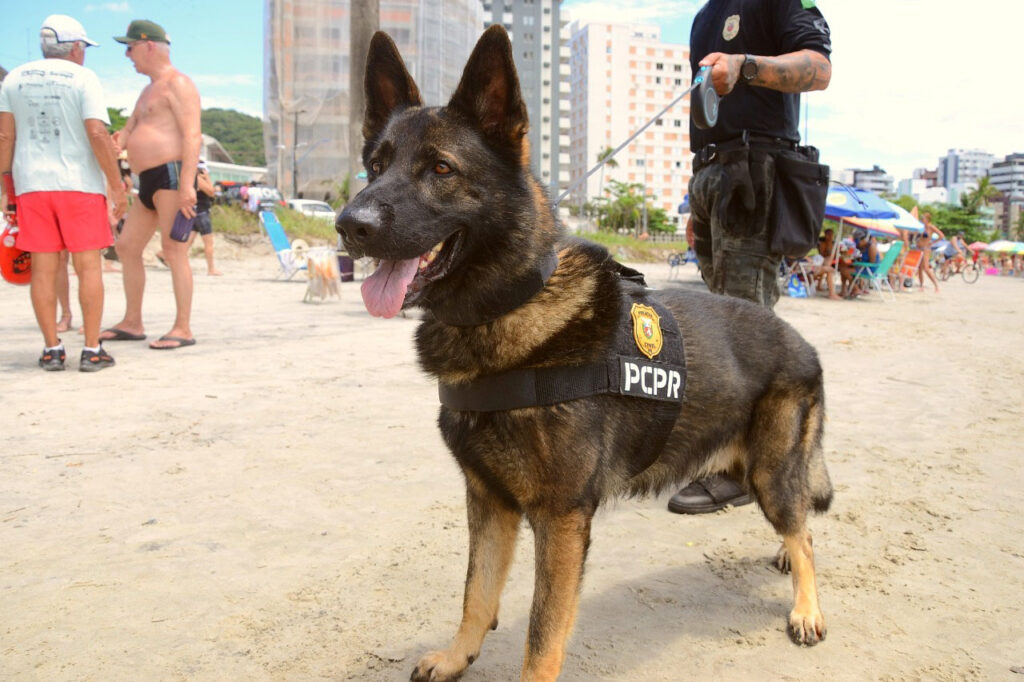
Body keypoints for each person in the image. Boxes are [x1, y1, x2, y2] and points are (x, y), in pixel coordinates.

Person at [668, 0, 832, 515]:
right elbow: (705, 110)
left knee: (747, 330)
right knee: (717, 327)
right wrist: (699, 196)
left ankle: (746, 470)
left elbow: (819, 69)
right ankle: (727, 453)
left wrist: (747, 66)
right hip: (711, 175)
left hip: (755, 169)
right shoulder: (702, 19)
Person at [0, 15, 127, 372]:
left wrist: (7, 189)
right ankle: (91, 349)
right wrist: (116, 186)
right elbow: (97, 134)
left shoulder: (13, 79)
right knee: (88, 267)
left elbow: (5, 137)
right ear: (75, 48)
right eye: (83, 48)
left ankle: (51, 349)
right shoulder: (84, 78)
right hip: (79, 185)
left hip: (31, 185)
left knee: (43, 269)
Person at [100, 19, 201, 350]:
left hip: (171, 176)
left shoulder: (179, 83)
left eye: (129, 48)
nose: (127, 55)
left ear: (149, 46)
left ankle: (182, 327)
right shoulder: (147, 90)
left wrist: (188, 185)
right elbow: (129, 129)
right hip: (146, 181)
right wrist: (119, 139)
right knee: (127, 247)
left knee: (174, 250)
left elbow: (192, 135)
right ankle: (132, 321)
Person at [156, 159, 221, 275]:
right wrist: (207, 178)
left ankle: (165, 254)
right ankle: (211, 268)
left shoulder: (187, 179)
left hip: (193, 211)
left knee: (187, 242)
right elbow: (211, 192)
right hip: (201, 213)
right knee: (208, 242)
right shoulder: (198, 179)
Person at [916, 211, 944, 293]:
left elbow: (941, 235)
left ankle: (936, 285)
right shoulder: (921, 227)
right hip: (919, 248)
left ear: (927, 219)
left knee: (926, 268)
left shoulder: (931, 227)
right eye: (922, 218)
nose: (922, 219)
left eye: (923, 218)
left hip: (926, 249)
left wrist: (932, 243)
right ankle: (921, 286)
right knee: (919, 268)